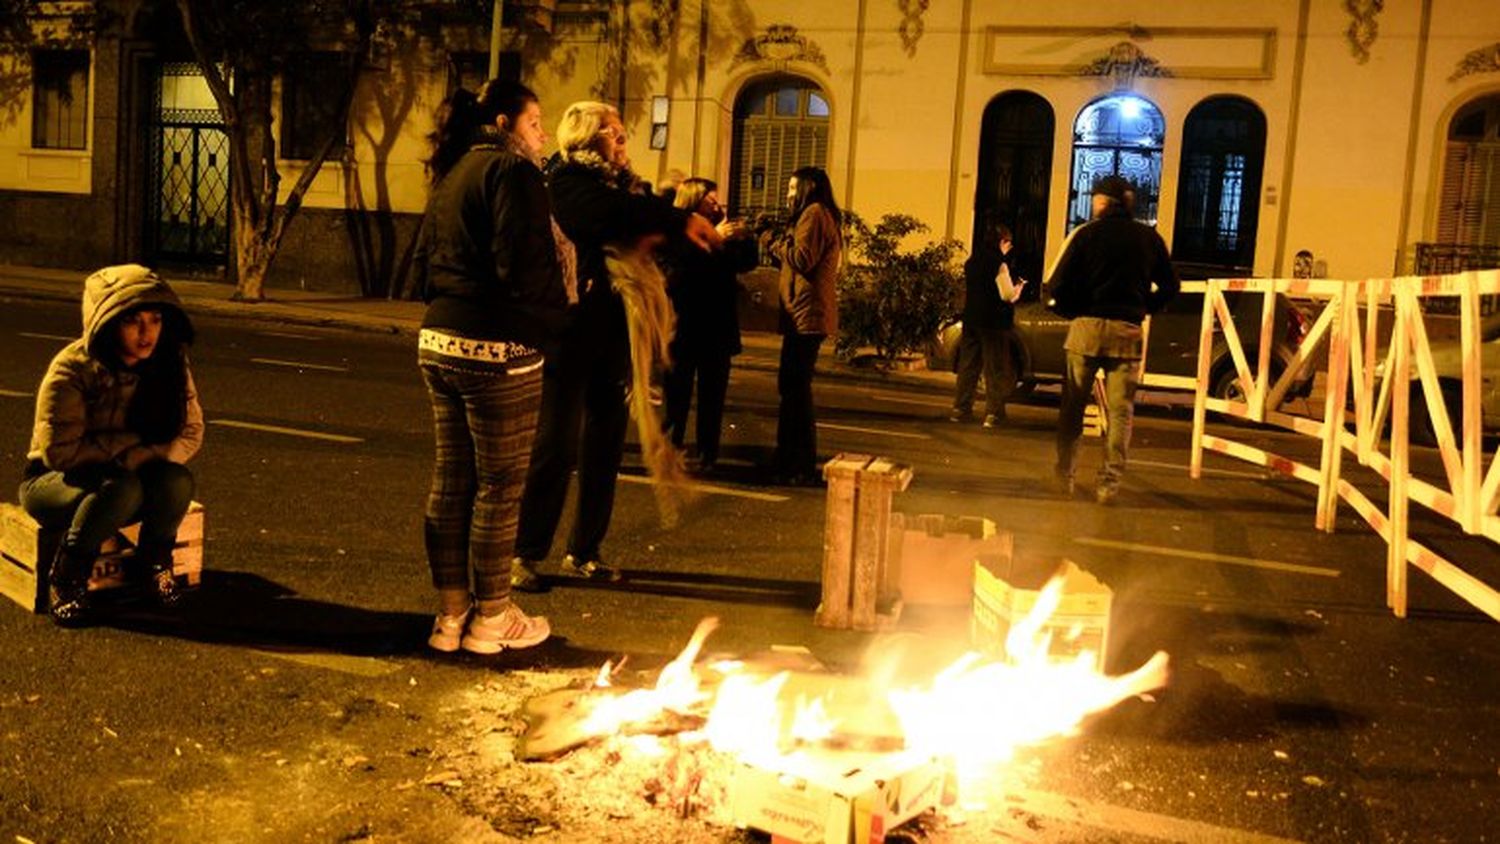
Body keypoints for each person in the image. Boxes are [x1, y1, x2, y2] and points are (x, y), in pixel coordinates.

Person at [511, 101, 720, 591]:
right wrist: (669, 219)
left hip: (613, 335)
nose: (623, 141)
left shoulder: (625, 187)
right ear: (586, 138)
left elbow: (642, 220)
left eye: (624, 133)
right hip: (570, 330)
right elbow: (607, 217)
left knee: (603, 446)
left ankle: (584, 550)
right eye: (614, 133)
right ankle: (524, 550)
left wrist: (675, 229)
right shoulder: (565, 180)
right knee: (556, 446)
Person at [414, 78, 571, 654]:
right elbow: (523, 265)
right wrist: (553, 325)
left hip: (440, 338)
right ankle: (493, 619)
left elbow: (425, 258)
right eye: (535, 123)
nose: (543, 134)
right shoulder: (514, 173)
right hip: (498, 347)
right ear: (505, 125)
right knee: (500, 489)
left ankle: (451, 616)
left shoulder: (452, 170)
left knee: (452, 483)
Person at [19, 264, 202, 626]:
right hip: (55, 483)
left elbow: (191, 431)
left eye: (155, 319)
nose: (146, 332)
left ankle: (154, 566)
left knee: (176, 480)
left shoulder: (169, 361)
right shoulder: (72, 369)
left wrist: (139, 456)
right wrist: (129, 450)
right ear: (106, 323)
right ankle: (68, 578)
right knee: (123, 486)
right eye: (132, 321)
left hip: (123, 478)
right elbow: (60, 453)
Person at [1046, 175, 1180, 505]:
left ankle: (1066, 476)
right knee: (1121, 413)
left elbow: (1055, 285)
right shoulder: (1150, 239)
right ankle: (1109, 484)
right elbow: (1171, 287)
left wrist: (1074, 310)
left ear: (1102, 202)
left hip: (1087, 329)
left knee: (1073, 407)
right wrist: (1142, 307)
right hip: (1128, 332)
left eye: (1094, 199)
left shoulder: (1085, 235)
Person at [662, 177, 758, 473]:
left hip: (717, 326)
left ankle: (708, 453)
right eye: (710, 200)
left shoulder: (722, 228)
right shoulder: (675, 229)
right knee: (676, 394)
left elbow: (743, 264)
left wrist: (746, 238)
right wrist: (712, 238)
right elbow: (674, 273)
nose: (716, 205)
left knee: (712, 397)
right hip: (684, 325)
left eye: (717, 200)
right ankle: (669, 450)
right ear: (693, 200)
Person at [767, 166, 843, 486]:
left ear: (808, 188)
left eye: (792, 187)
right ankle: (790, 460)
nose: (787, 194)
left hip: (807, 315)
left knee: (795, 390)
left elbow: (801, 258)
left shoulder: (813, 213)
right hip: (803, 313)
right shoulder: (815, 214)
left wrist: (771, 240)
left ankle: (798, 463)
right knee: (792, 388)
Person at [950, 219, 1026, 428]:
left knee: (968, 366)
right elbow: (1006, 295)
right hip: (994, 322)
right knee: (995, 368)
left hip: (972, 319)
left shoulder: (972, 261)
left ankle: (960, 409)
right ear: (1002, 241)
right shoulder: (999, 263)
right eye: (1008, 243)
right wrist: (1018, 289)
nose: (1009, 247)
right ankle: (994, 413)